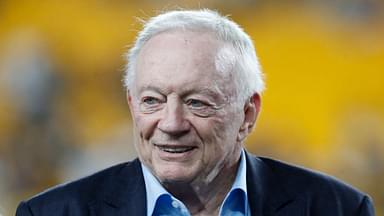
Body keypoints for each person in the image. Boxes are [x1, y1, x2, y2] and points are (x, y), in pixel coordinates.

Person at [16, 9, 374, 216]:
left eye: (197, 102)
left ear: (248, 114)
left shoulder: (339, 208)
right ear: (131, 105)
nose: (171, 124)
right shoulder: (51, 213)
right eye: (152, 100)